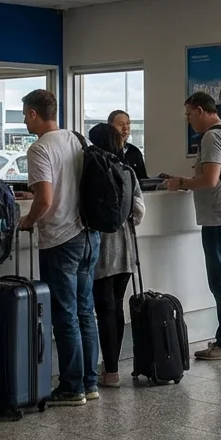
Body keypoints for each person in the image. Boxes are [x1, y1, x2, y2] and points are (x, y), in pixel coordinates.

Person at [19, 89, 100, 405]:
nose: (25, 121)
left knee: (65, 315)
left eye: (25, 115)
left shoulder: (39, 148)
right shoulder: (78, 139)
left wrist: (28, 220)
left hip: (60, 239)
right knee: (85, 311)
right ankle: (89, 383)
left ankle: (71, 387)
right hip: (89, 235)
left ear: (33, 113)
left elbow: (46, 199)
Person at [165, 92, 221, 361]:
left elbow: (210, 179)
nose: (189, 120)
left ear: (200, 110)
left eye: (189, 115)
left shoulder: (212, 137)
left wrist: (181, 183)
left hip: (220, 219)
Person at [88, 122, 144, 389]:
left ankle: (108, 370)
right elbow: (139, 211)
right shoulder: (127, 170)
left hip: (100, 249)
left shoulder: (91, 169)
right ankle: (113, 369)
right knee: (116, 306)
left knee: (103, 309)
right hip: (125, 249)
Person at [106, 110, 149, 180]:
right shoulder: (104, 153)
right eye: (121, 124)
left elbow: (142, 180)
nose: (126, 128)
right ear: (110, 126)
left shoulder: (134, 151)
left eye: (128, 124)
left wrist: (158, 180)